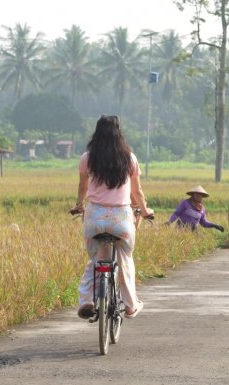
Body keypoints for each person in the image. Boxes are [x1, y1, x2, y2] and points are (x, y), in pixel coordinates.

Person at [71, 115, 153, 320]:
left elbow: (82, 187)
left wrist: (79, 205)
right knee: (124, 260)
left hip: (95, 218)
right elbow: (137, 192)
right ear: (120, 133)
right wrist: (145, 211)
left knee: (95, 260)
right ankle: (131, 305)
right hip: (121, 219)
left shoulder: (87, 158)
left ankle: (87, 301)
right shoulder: (129, 158)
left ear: (96, 133)